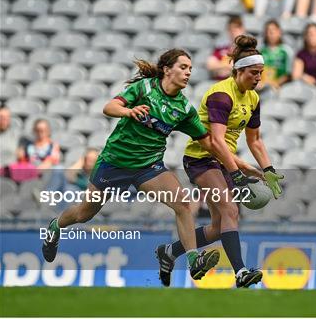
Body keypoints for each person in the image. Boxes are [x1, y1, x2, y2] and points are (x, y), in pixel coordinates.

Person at [42, 49, 222, 283]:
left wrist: (232, 162)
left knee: (184, 204)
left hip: (148, 166)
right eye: (183, 67)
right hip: (114, 162)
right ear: (167, 70)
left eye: (190, 69)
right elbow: (109, 107)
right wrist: (129, 111)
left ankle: (193, 262)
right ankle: (55, 227)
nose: (188, 72)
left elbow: (207, 141)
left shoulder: (184, 109)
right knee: (84, 214)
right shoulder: (144, 88)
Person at [157, 35, 285, 288]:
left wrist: (268, 170)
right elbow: (215, 141)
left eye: (261, 73)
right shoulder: (221, 95)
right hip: (202, 159)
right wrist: (237, 172)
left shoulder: (253, 98)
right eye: (253, 73)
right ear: (238, 70)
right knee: (230, 210)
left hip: (224, 160)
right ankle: (240, 272)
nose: (258, 78)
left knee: (218, 227)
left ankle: (169, 252)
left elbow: (255, 141)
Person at [206, 16, 246, 81]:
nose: (233, 33)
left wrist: (222, 65)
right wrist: (229, 66)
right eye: (230, 30)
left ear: (242, 30)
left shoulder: (249, 50)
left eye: (236, 29)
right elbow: (210, 65)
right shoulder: (222, 49)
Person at [259, 19, 294, 90]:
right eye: (269, 31)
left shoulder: (286, 51)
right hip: (261, 86)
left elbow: (289, 74)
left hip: (281, 87)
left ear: (279, 32)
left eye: (274, 30)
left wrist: (276, 83)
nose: (271, 33)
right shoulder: (260, 50)